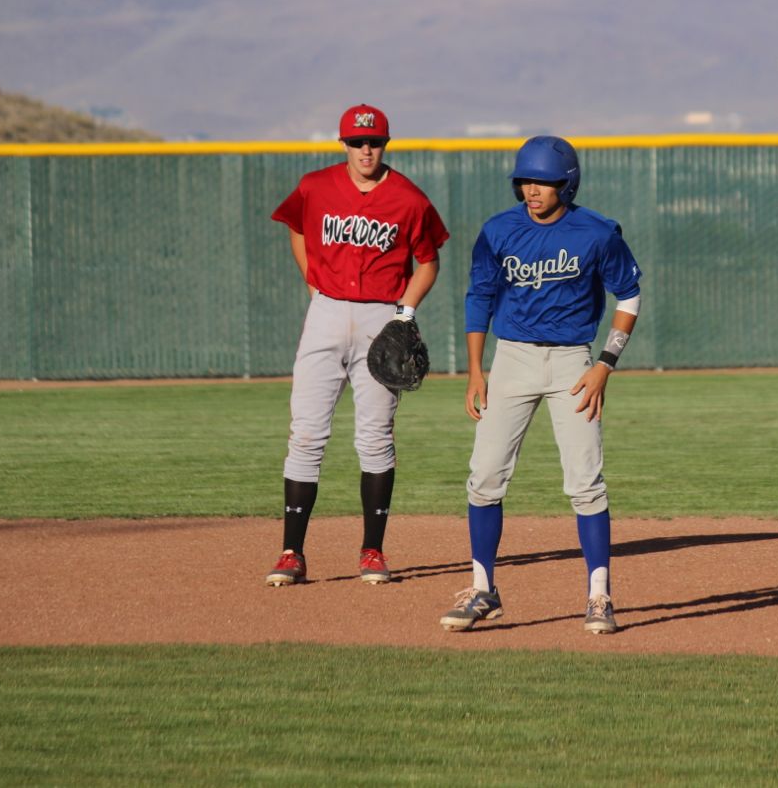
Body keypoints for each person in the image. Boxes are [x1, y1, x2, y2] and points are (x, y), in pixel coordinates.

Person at [440, 135, 642, 634]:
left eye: (543, 182)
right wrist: (475, 370)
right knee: (485, 476)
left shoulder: (597, 232)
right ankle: (483, 590)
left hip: (574, 363)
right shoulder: (498, 230)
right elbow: (479, 296)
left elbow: (630, 294)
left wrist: (605, 364)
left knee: (585, 482)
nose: (532, 190)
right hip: (511, 359)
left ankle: (599, 597)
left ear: (566, 184)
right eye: (525, 181)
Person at [265, 103, 449, 587]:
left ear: (385, 144)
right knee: (306, 434)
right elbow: (297, 227)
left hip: (380, 317)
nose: (366, 150)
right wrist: (313, 283)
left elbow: (428, 261)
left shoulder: (409, 199)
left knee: (375, 437)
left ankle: (372, 551)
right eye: (357, 142)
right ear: (344, 144)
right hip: (325, 311)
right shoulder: (315, 186)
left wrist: (405, 314)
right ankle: (291, 552)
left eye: (374, 142)